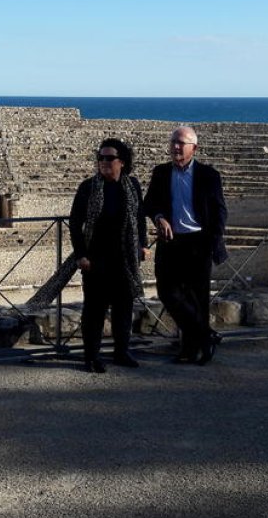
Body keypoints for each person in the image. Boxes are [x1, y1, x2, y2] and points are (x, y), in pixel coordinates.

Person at [143, 126, 227, 365]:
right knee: (167, 293)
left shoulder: (209, 175)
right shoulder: (161, 173)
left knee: (197, 298)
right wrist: (159, 217)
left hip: (198, 242)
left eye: (181, 143)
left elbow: (220, 211)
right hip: (171, 242)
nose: (176, 147)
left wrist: (212, 242)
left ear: (194, 148)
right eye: (173, 142)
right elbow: (149, 203)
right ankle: (205, 336)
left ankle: (191, 350)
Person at [68, 138, 150, 373]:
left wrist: (142, 244)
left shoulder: (132, 185)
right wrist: (81, 255)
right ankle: (91, 357)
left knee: (124, 307)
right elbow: (75, 224)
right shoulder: (88, 187)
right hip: (96, 260)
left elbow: (139, 217)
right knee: (94, 310)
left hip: (124, 259)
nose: (103, 162)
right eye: (100, 158)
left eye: (109, 158)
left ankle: (121, 352)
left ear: (122, 162)